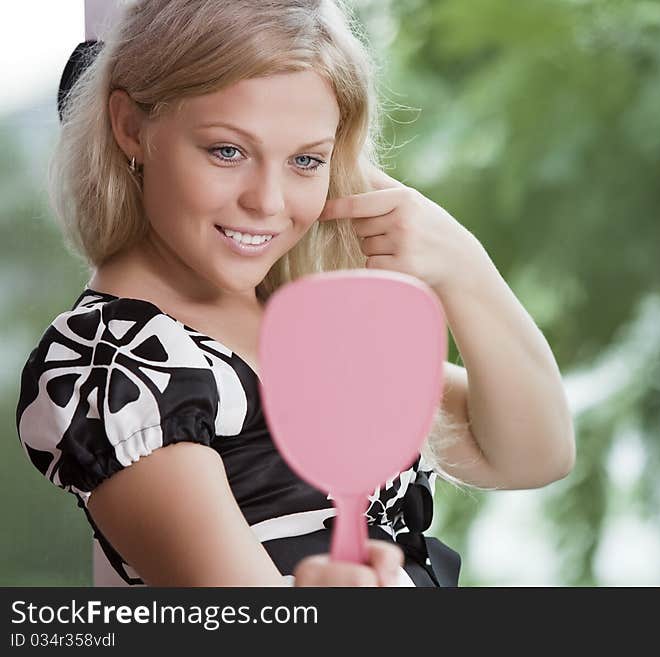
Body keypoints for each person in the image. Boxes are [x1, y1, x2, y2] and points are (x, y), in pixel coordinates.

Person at [16, 0, 576, 587]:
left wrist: (463, 266)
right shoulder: (115, 360)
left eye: (306, 160)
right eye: (227, 151)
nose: (268, 202)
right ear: (131, 127)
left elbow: (534, 454)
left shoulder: (308, 321)